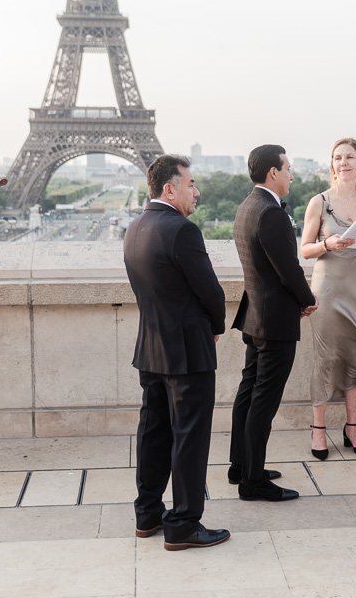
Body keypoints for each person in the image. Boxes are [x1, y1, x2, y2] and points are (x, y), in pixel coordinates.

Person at [123, 154, 231, 551]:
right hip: (187, 350)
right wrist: (215, 327)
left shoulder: (134, 228)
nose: (196, 191)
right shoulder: (182, 230)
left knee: (153, 432)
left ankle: (147, 514)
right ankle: (184, 522)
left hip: (150, 347)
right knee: (189, 436)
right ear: (169, 188)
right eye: (190, 184)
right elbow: (211, 292)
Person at [230, 144, 318, 501]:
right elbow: (289, 270)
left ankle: (242, 466)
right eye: (288, 168)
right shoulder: (271, 213)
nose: (292, 175)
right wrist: (307, 299)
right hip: (275, 321)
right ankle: (252, 482)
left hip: (255, 317)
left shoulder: (247, 207)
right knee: (263, 403)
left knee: (248, 394)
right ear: (273, 173)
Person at [300, 137, 356, 460]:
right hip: (327, 290)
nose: (343, 163)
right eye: (337, 158)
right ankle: (318, 430)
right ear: (332, 164)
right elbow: (305, 249)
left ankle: (352, 429)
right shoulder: (319, 202)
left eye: (350, 157)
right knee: (325, 358)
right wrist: (328, 244)